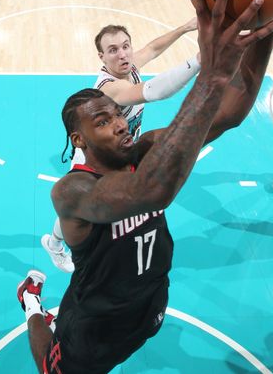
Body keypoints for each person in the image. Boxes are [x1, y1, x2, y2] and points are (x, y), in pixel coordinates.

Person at [18, 0, 273, 374]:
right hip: (95, 323)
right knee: (52, 369)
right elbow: (152, 191)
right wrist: (210, 73)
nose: (119, 124)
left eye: (117, 115)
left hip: (150, 302)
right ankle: (31, 303)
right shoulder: (73, 190)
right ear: (79, 139)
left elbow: (231, 114)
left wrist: (266, 28)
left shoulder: (143, 148)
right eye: (104, 121)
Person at [41, 18, 199, 272]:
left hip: (118, 152)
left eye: (126, 46)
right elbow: (155, 91)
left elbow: (153, 48)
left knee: (116, 209)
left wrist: (185, 28)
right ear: (102, 57)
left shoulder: (129, 66)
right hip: (93, 161)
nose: (122, 54)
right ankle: (55, 242)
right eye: (113, 50)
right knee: (78, 213)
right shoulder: (112, 87)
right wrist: (201, 59)